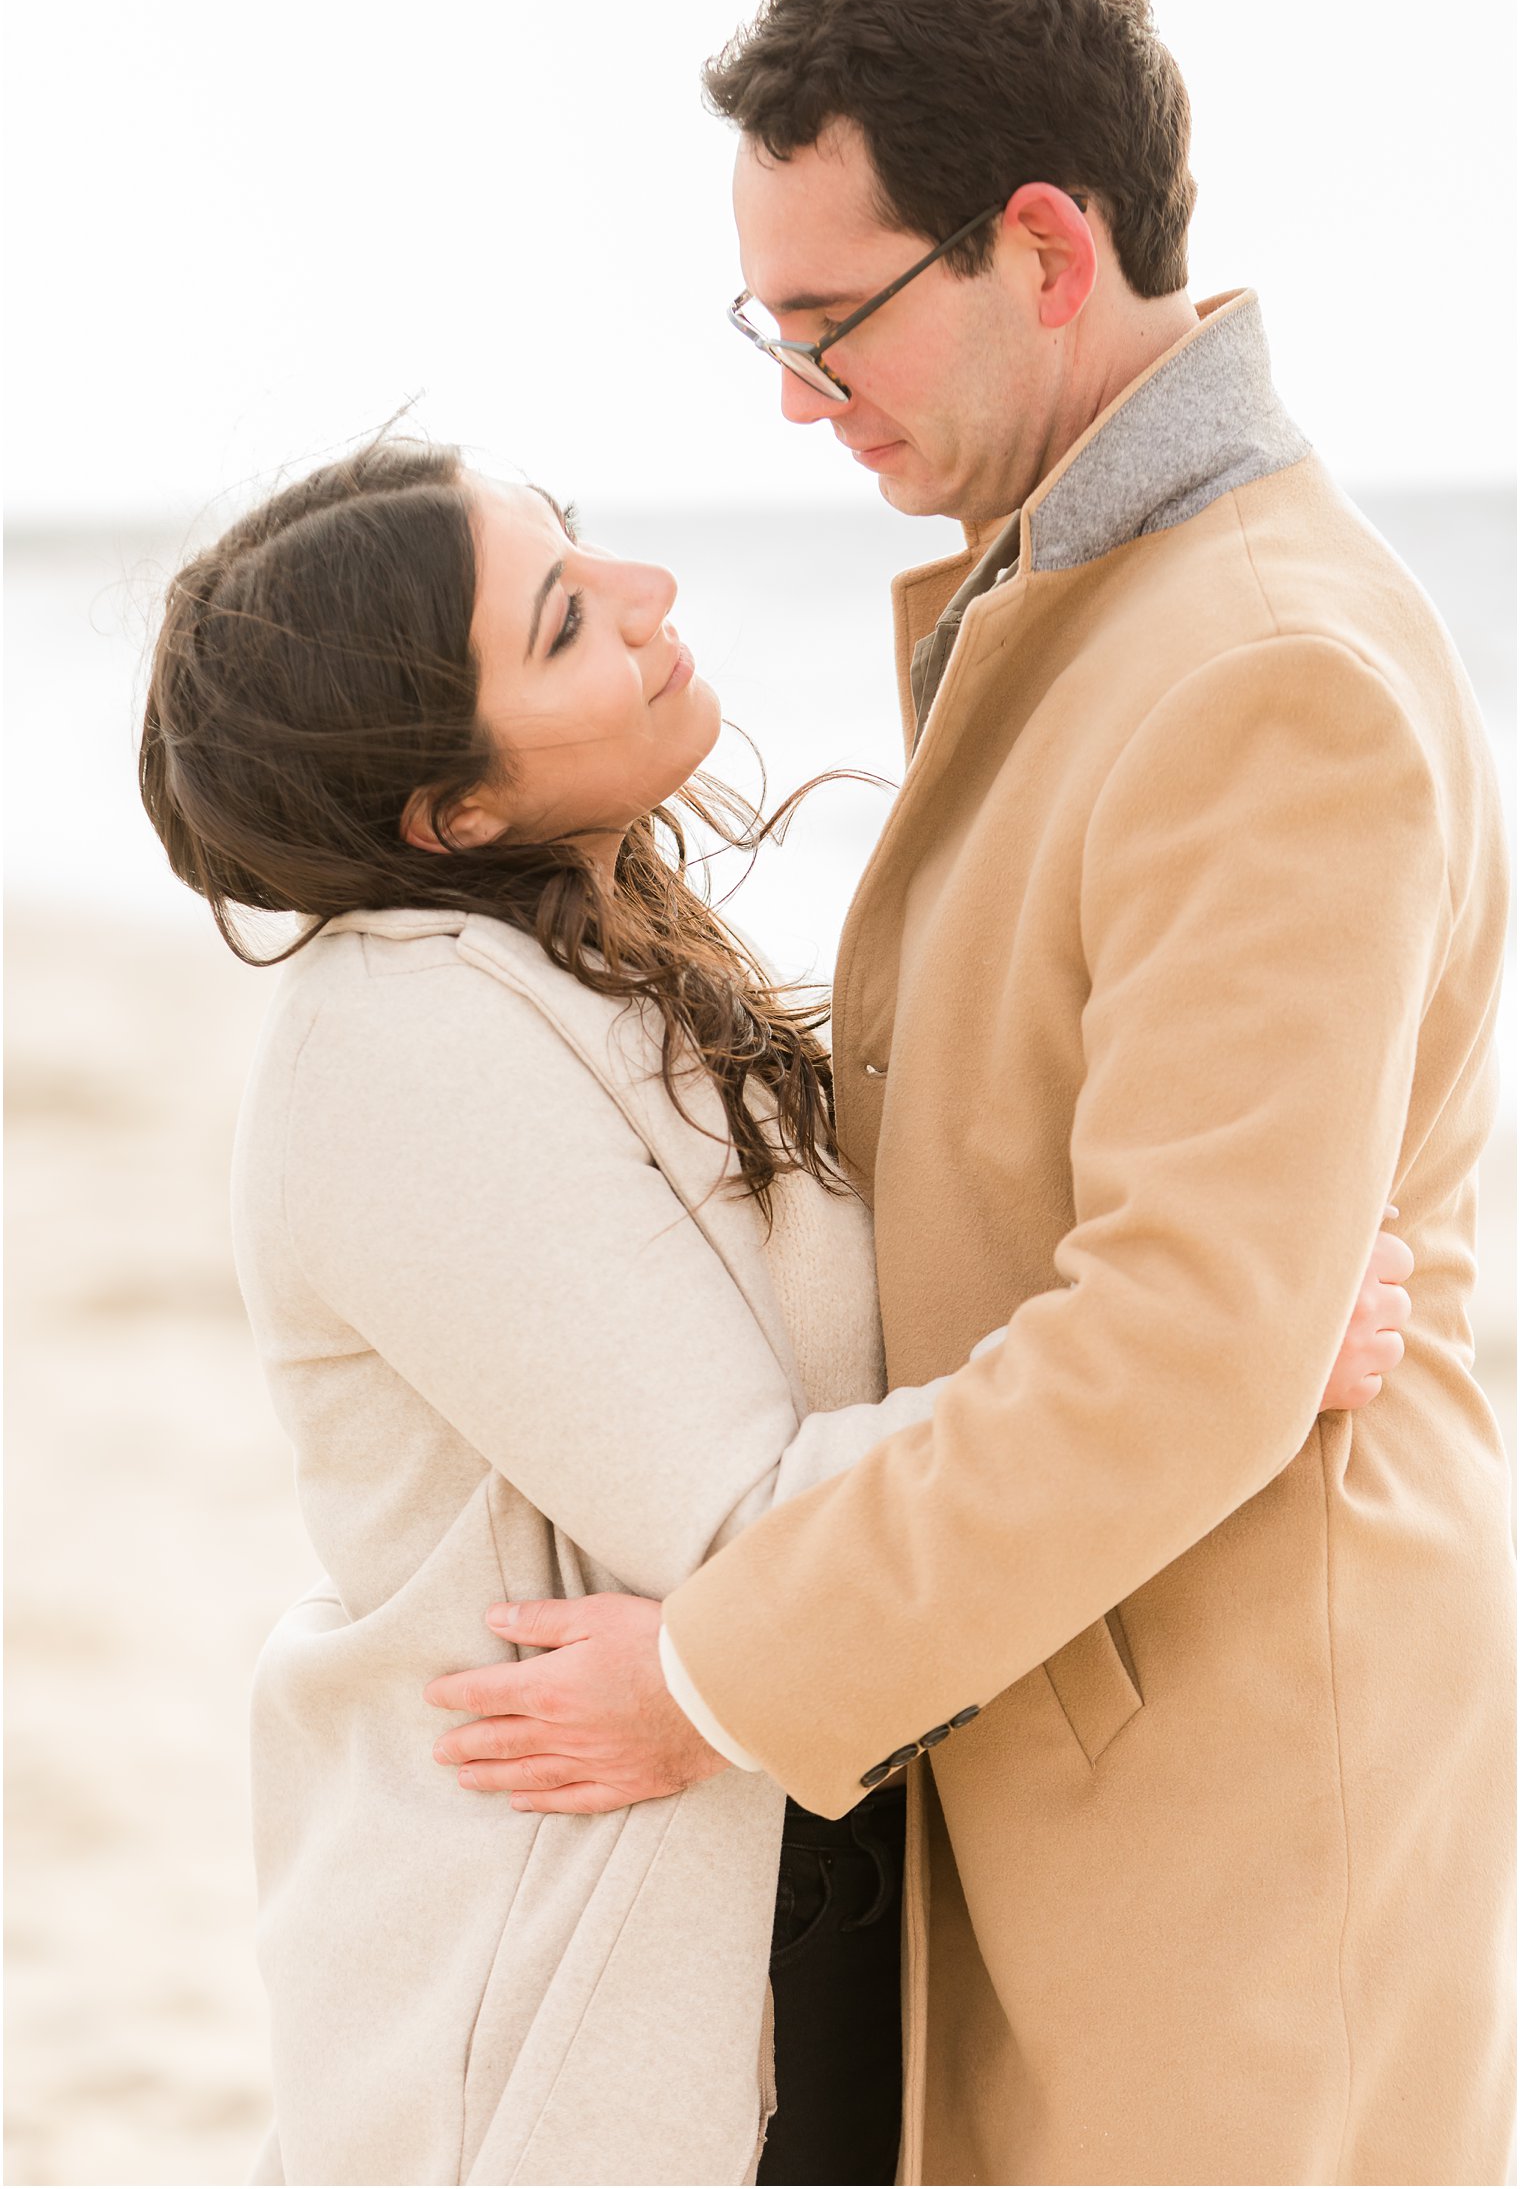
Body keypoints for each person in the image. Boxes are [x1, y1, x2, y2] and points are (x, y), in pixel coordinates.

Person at [425, 0, 1516, 2184]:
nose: (797, 400)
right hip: (1064, 1719)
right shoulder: (1094, 597)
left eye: (829, 324)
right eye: (772, 327)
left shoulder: (1260, 666)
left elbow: (1185, 1338)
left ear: (1039, 244)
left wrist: (709, 1670)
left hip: (1228, 1786)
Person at [140, 441, 1401, 2188]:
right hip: (574, 1991)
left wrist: (1208, 1304)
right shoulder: (402, 1050)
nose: (650, 600)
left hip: (784, 1900)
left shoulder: (593, 956)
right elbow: (747, 1524)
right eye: (569, 623)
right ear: (452, 812)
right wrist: (1209, 1362)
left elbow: (860, 1366)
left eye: (583, 554)